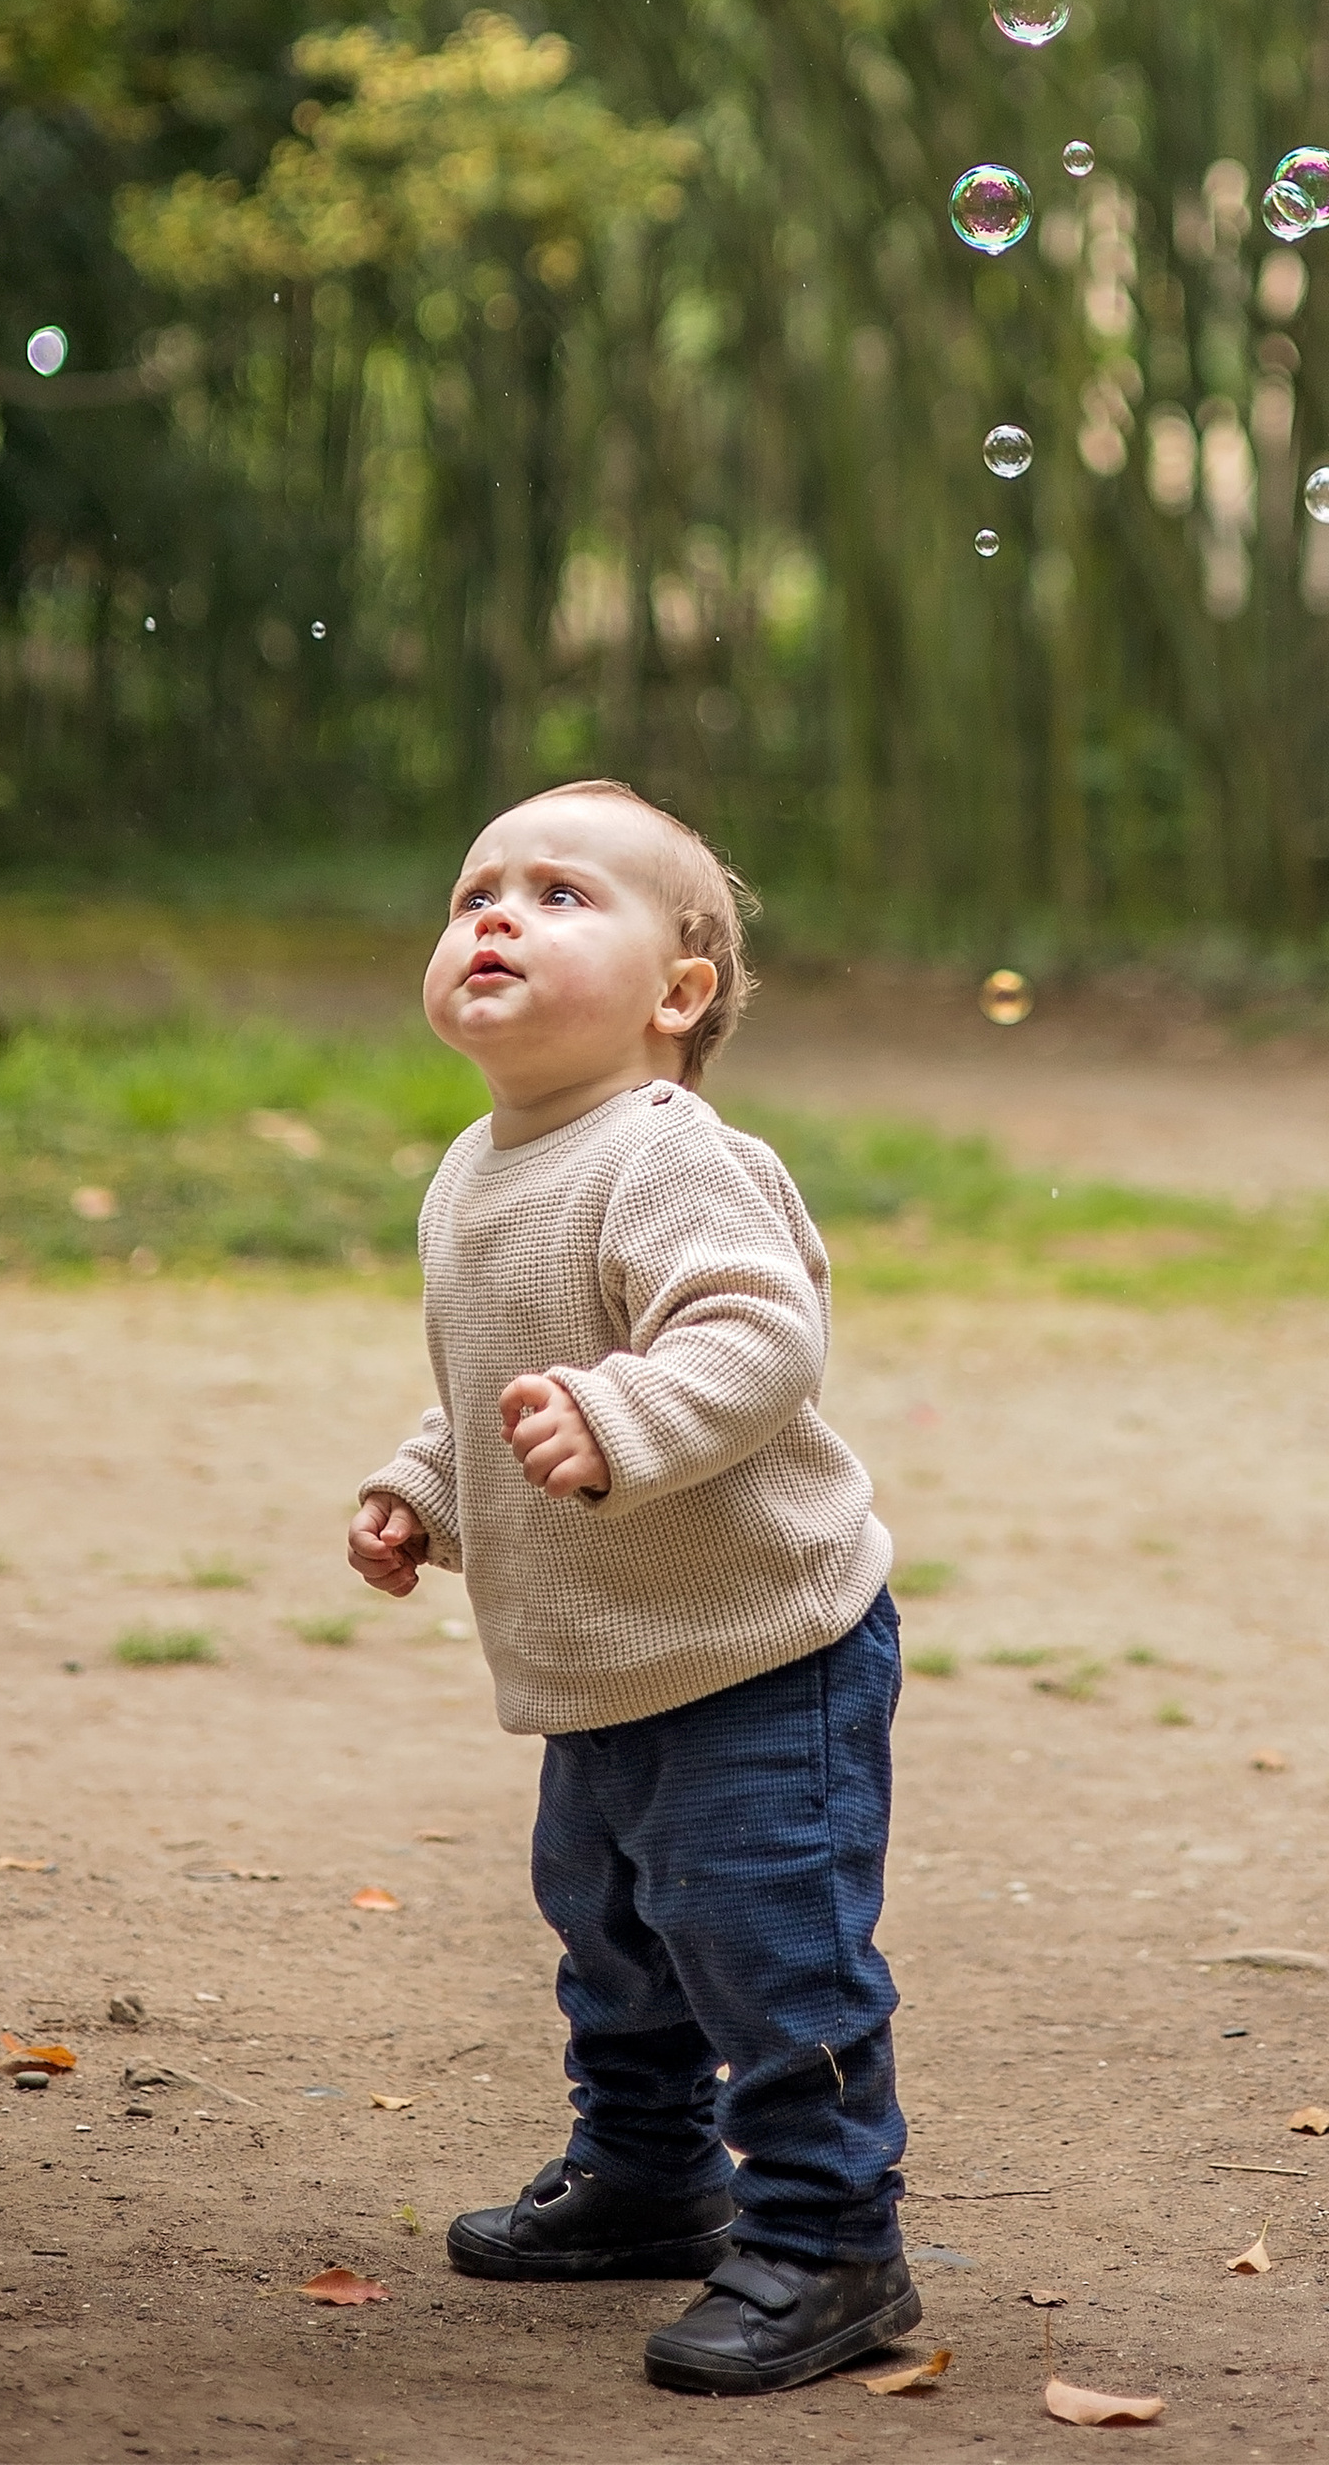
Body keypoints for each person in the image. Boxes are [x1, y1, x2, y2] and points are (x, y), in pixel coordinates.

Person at [346, 780, 919, 2396]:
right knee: (613, 1933)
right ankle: (650, 2173)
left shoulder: (670, 1155)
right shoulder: (475, 1169)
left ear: (682, 995)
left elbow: (756, 1342)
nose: (495, 917)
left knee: (766, 1944)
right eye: (475, 893)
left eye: (559, 894)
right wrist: (428, 1485)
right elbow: (496, 1383)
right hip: (605, 1655)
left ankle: (827, 2238)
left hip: (758, 1650)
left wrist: (617, 1416)